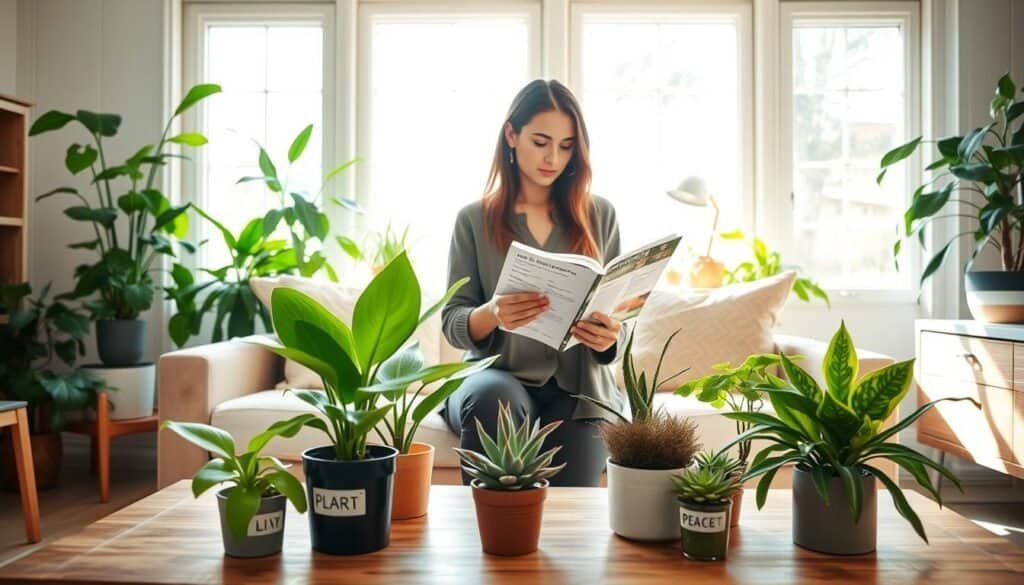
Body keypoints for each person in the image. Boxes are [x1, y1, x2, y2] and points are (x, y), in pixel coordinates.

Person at [440, 79, 627, 487]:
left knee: (568, 513)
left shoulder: (600, 216)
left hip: (580, 390)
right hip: (495, 375)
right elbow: (452, 322)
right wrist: (491, 314)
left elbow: (621, 322)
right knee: (494, 400)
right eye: (541, 142)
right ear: (511, 134)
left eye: (566, 145)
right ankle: (489, 541)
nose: (553, 158)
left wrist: (608, 337)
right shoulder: (473, 219)